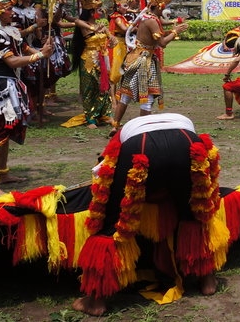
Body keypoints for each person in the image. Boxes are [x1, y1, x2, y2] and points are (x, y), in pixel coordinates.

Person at [71, 114, 223, 316]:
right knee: (195, 212)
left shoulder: (120, 137)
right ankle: (207, 280)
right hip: (188, 143)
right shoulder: (179, 122)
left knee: (112, 220)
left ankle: (96, 300)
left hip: (141, 148)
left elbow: (105, 172)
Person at [0, 0, 54, 197]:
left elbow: (26, 49)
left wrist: (43, 47)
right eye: (9, 8)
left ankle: (3, 174)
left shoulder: (10, 30)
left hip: (12, 84)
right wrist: (39, 56)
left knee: (6, 130)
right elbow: (11, 61)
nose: (12, 12)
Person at [112, 0, 189, 129]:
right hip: (143, 61)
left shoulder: (147, 17)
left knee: (126, 94)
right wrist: (175, 32)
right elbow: (162, 43)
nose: (164, 9)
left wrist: (171, 29)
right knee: (147, 96)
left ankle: (115, 125)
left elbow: (158, 35)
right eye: (164, 6)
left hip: (135, 57)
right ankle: (143, 128)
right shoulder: (152, 21)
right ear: (159, 6)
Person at [69, 0, 115, 128]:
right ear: (91, 12)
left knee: (104, 87)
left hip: (102, 58)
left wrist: (112, 41)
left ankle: (105, 114)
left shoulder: (101, 26)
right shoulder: (84, 24)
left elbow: (112, 39)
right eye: (98, 10)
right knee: (90, 88)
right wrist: (96, 30)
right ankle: (90, 117)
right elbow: (76, 21)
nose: (100, 12)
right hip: (89, 59)